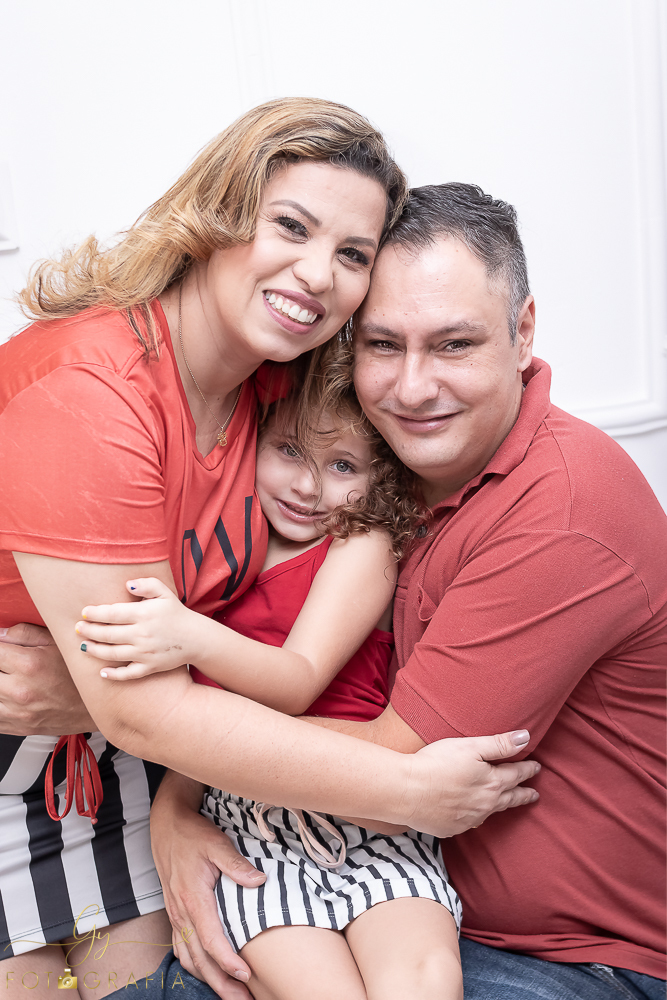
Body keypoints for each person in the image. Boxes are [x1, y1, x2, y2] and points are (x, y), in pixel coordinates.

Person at [0, 101, 539, 999]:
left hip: (126, 763)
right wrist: (405, 793)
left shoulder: (281, 386)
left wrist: (113, 721)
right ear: (216, 213)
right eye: (289, 225)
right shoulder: (92, 390)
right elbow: (143, 705)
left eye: (352, 255)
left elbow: (155, 687)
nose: (318, 273)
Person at [145, 181, 666, 1000]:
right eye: (384, 346)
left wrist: (177, 772)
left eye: (452, 345)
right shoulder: (375, 480)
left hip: (568, 957)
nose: (412, 388)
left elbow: (393, 786)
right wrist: (176, 808)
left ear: (521, 330)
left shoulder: (563, 508)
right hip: (377, 892)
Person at [78, 384, 464, 999]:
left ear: (382, 473)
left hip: (364, 806)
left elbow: (298, 678)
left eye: (342, 466)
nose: (308, 487)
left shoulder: (362, 543)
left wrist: (189, 636)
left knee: (423, 977)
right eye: (288, 449)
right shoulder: (221, 547)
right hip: (249, 829)